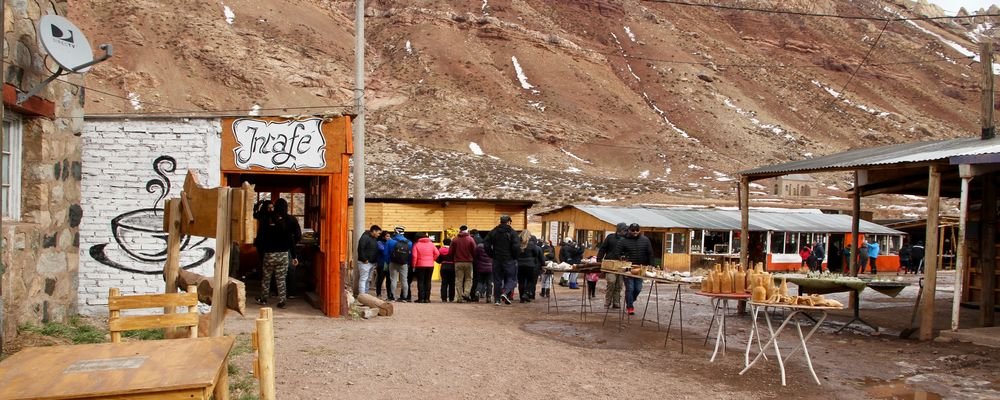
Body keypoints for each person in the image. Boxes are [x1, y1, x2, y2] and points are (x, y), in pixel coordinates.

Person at [255, 198, 301, 309]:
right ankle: (282, 301)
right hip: (283, 254)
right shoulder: (290, 220)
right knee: (281, 278)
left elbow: (260, 236)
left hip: (269, 253)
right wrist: (294, 256)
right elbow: (294, 238)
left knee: (266, 277)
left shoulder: (268, 219)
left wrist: (261, 250)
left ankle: (264, 299)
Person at [610, 223, 654, 316]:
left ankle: (630, 300)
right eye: (633, 230)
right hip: (628, 268)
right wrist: (622, 257)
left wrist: (651, 265)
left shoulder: (645, 240)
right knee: (630, 288)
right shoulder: (623, 241)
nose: (635, 232)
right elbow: (617, 252)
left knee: (638, 288)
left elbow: (650, 253)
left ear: (639, 230)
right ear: (629, 230)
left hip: (640, 267)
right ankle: (630, 307)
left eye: (637, 230)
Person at [484, 215, 521, 305]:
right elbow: (516, 246)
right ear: (508, 222)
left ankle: (497, 300)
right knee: (511, 279)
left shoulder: (494, 231)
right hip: (509, 259)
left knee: (497, 280)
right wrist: (515, 256)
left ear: (500, 221)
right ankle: (504, 292)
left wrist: (491, 254)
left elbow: (486, 244)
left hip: (497, 259)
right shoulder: (512, 232)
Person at [598, 223, 628, 309]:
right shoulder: (610, 237)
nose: (625, 231)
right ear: (619, 230)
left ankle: (616, 302)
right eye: (624, 230)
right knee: (611, 282)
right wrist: (599, 260)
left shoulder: (627, 239)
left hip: (622, 264)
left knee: (619, 284)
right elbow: (603, 248)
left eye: (626, 230)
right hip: (610, 263)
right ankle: (607, 302)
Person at [385, 226, 412, 302]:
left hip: (392, 262)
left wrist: (388, 262)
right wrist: (408, 263)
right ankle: (405, 297)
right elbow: (410, 254)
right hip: (404, 264)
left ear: (395, 232)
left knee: (393, 279)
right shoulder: (409, 242)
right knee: (404, 280)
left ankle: (392, 297)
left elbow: (386, 253)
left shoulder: (390, 241)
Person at [410, 234, 439, 303]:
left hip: (420, 265)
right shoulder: (431, 244)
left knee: (420, 281)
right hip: (430, 265)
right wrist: (432, 259)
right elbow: (437, 253)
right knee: (428, 281)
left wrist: (414, 265)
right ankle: (427, 298)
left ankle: (421, 298)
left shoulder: (416, 244)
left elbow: (414, 256)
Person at [516, 232, 544, 303]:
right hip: (530, 264)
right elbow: (536, 253)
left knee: (521, 282)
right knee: (531, 280)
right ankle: (526, 293)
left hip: (519, 265)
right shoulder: (532, 245)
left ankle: (522, 298)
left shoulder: (518, 245)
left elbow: (514, 253)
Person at [451, 225, 477, 302]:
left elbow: (450, 252)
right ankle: (466, 293)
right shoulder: (470, 239)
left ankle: (459, 298)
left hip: (458, 262)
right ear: (467, 230)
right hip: (468, 262)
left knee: (459, 280)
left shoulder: (455, 240)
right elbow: (474, 251)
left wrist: (454, 258)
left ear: (460, 230)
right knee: (468, 279)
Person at [356, 224, 382, 297]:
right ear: (374, 231)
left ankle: (366, 294)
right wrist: (364, 259)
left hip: (371, 262)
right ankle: (362, 295)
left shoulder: (374, 238)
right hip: (365, 262)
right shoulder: (365, 237)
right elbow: (360, 249)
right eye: (378, 233)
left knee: (368, 279)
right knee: (364, 279)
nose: (379, 235)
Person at [374, 230, 393, 299]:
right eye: (387, 236)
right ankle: (378, 293)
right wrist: (388, 243)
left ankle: (389, 294)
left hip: (388, 263)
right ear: (383, 236)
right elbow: (383, 250)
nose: (388, 238)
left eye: (389, 236)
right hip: (382, 263)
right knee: (380, 279)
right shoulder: (379, 243)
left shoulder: (389, 243)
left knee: (389, 280)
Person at [438, 238, 456, 302]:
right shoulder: (453, 250)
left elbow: (438, 260)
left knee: (444, 283)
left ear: (443, 243)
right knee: (452, 283)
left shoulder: (440, 249)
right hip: (452, 267)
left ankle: (444, 298)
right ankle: (451, 298)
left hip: (444, 267)